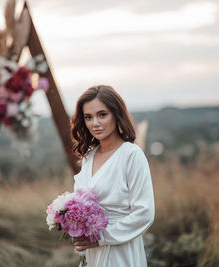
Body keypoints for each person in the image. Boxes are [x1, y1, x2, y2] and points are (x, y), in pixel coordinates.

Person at [70, 85, 155, 267]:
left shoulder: (131, 155)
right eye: (88, 117)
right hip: (92, 252)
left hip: (121, 249)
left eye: (102, 114)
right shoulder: (88, 156)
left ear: (116, 114)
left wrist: (101, 237)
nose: (95, 123)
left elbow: (145, 212)